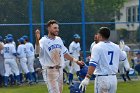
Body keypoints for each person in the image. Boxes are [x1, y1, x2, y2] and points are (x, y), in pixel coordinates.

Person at [35, 20, 84, 93]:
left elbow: (65, 54)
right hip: (50, 71)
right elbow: (37, 52)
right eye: (54, 28)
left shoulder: (59, 39)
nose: (57, 30)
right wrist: (37, 40)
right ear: (49, 28)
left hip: (60, 70)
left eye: (57, 28)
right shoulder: (43, 41)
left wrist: (76, 61)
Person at [79, 27, 126, 93]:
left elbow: (93, 63)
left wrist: (87, 77)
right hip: (113, 79)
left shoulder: (97, 46)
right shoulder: (116, 46)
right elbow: (123, 57)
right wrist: (121, 49)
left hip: (102, 78)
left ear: (100, 35)